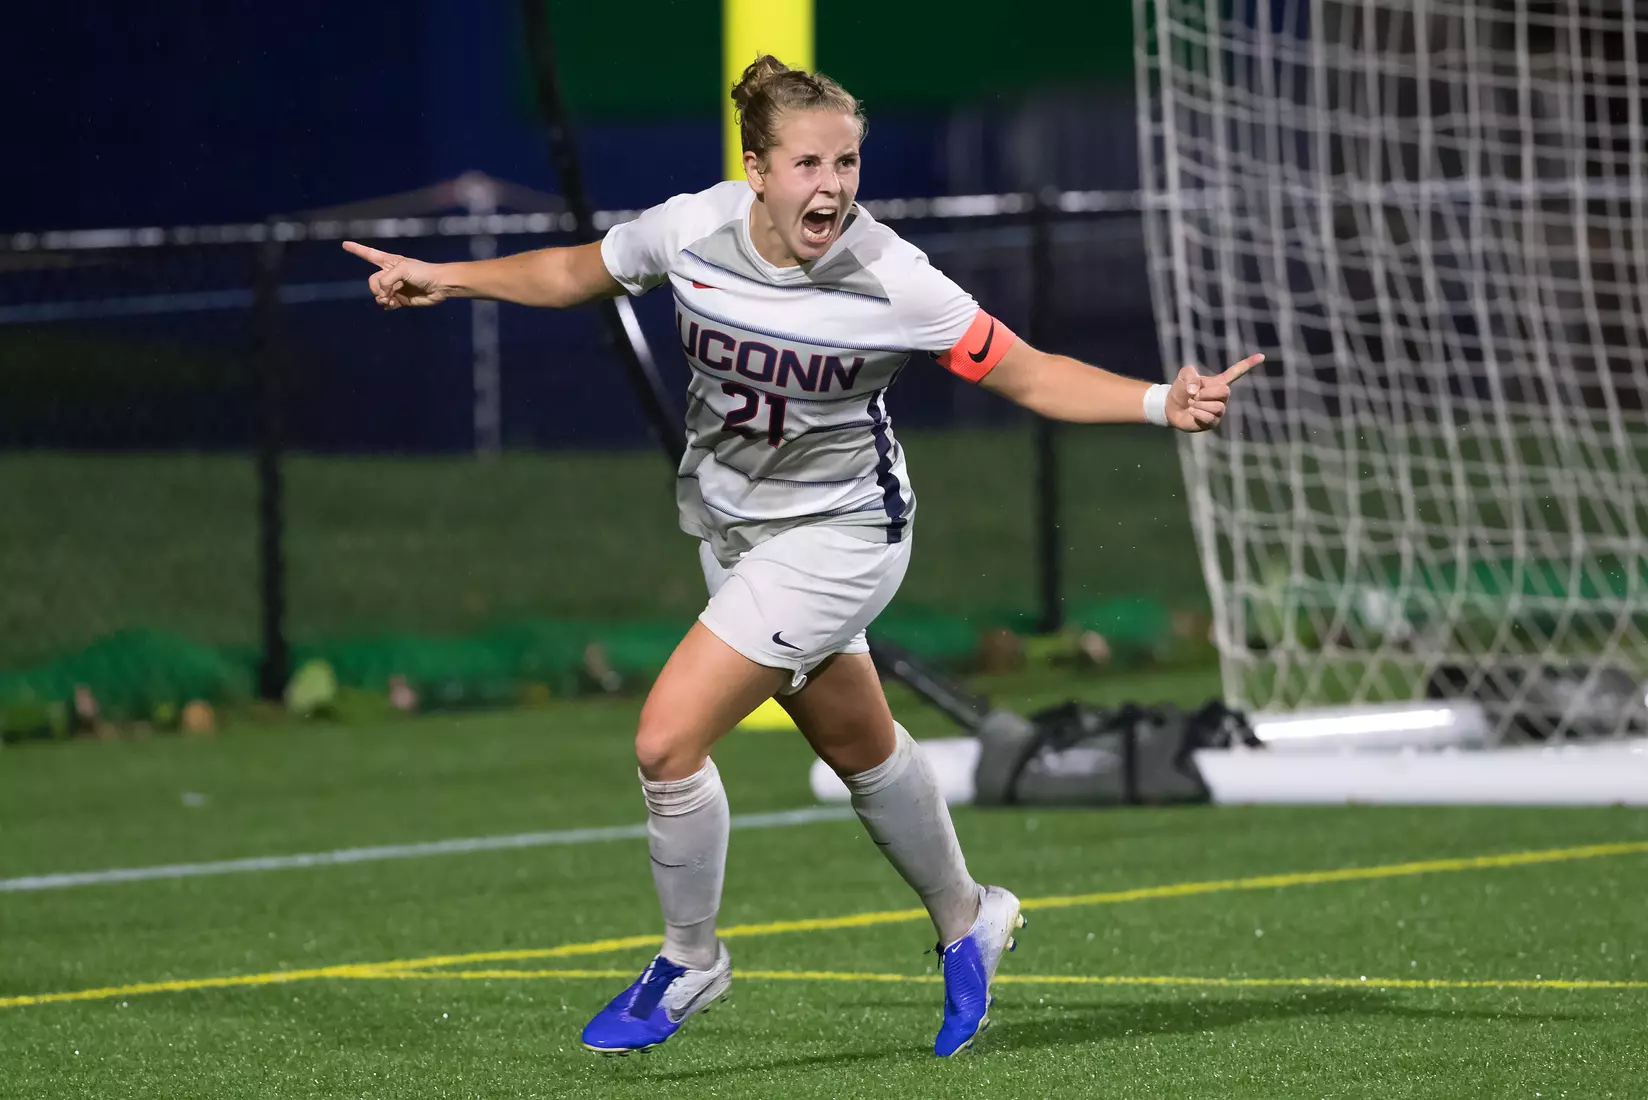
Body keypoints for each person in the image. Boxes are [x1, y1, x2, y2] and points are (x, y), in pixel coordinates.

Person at [344, 55, 1262, 1058]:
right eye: (810, 164)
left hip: (843, 536)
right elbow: (574, 272)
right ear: (758, 170)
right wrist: (446, 278)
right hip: (735, 531)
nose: (833, 186)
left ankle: (690, 957)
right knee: (860, 745)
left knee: (665, 742)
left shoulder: (892, 276)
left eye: (848, 162)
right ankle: (970, 917)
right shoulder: (691, 229)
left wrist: (1157, 401)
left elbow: (1028, 374)